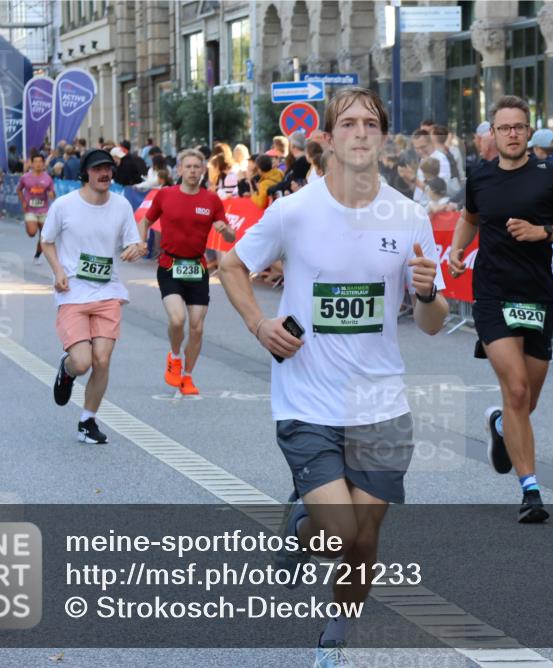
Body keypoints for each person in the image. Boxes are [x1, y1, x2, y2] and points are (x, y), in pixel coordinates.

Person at [219, 86, 448, 666]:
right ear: (327, 137)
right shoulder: (295, 211)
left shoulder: (409, 216)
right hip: (307, 402)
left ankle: (335, 637)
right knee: (340, 533)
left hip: (381, 405)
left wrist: (427, 294)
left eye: (371, 123)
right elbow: (231, 264)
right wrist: (259, 324)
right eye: (348, 123)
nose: (360, 132)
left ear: (384, 136)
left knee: (364, 539)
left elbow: (432, 324)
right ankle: (302, 524)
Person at [449, 95, 553, 523]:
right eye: (504, 127)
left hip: (537, 296)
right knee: (515, 390)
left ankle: (499, 426)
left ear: (529, 132)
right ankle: (531, 490)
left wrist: (542, 231)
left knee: (526, 400)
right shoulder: (481, 176)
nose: (511, 134)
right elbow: (470, 218)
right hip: (492, 294)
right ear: (492, 134)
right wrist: (457, 249)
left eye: (518, 127)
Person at [42, 149, 147, 443]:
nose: (104, 174)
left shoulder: (121, 205)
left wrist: (136, 249)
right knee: (82, 362)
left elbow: (135, 243)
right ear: (85, 173)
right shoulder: (64, 205)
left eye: (108, 169)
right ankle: (66, 370)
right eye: (98, 169)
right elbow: (46, 241)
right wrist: (58, 271)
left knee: (102, 359)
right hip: (72, 293)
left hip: (108, 291)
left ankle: (87, 421)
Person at [139, 149, 236, 396]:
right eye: (188, 166)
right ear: (180, 169)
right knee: (177, 319)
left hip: (197, 268)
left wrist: (225, 230)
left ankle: (188, 376)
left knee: (197, 327)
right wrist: (141, 243)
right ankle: (174, 356)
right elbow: (145, 221)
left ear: (203, 170)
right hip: (170, 266)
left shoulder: (211, 200)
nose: (193, 171)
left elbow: (231, 237)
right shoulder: (165, 195)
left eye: (197, 167)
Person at [17, 153, 57, 263]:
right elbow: (19, 189)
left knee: (44, 236)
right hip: (30, 210)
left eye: (40, 162)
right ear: (31, 164)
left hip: (44, 210)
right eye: (35, 162)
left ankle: (37, 255)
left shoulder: (47, 178)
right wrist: (23, 201)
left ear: (43, 164)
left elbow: (52, 193)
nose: (38, 164)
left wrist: (51, 194)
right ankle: (29, 224)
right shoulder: (25, 177)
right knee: (32, 233)